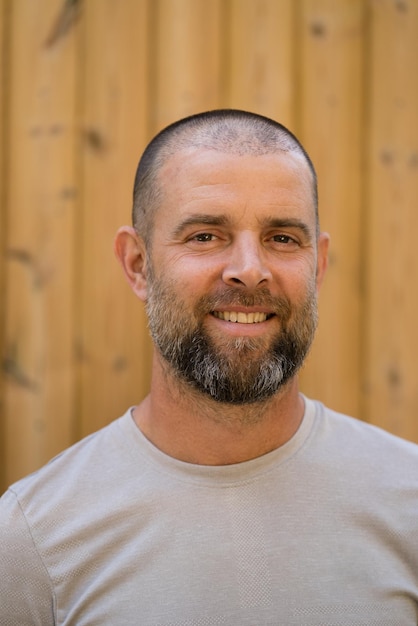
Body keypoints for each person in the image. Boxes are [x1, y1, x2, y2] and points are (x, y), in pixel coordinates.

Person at [1, 109, 418, 625]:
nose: (249, 270)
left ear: (319, 265)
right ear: (138, 264)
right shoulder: (35, 541)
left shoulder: (409, 503)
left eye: (282, 238)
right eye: (205, 235)